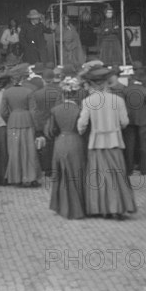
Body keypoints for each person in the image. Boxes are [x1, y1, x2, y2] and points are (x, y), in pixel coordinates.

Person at [77, 66, 136, 218]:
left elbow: (82, 124)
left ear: (92, 84)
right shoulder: (118, 100)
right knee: (117, 175)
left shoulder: (88, 101)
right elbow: (125, 122)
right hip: (115, 141)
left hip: (96, 142)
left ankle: (102, 208)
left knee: (99, 176)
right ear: (105, 83)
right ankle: (118, 207)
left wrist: (81, 131)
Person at [49, 76, 86, 219]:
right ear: (75, 94)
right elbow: (83, 128)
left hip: (60, 142)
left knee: (60, 173)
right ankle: (78, 207)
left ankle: (61, 205)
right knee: (77, 173)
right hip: (75, 141)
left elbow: (52, 130)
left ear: (63, 93)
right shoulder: (79, 109)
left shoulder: (55, 110)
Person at [0, 63, 41, 186]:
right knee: (29, 150)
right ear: (23, 78)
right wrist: (36, 126)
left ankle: (16, 177)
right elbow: (33, 111)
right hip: (27, 121)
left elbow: (3, 112)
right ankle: (30, 177)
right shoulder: (29, 91)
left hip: (13, 121)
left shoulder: (7, 92)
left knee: (14, 150)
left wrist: (9, 119)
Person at [123, 62, 146, 175]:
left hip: (129, 120)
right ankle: (144, 169)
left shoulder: (126, 90)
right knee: (143, 145)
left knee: (129, 146)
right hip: (144, 120)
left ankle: (129, 169)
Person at [32, 68, 62, 176]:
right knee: (55, 144)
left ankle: (46, 168)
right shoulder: (59, 91)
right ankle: (55, 167)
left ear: (43, 79)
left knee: (44, 146)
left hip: (41, 121)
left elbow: (34, 110)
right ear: (53, 78)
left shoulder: (37, 93)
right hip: (54, 120)